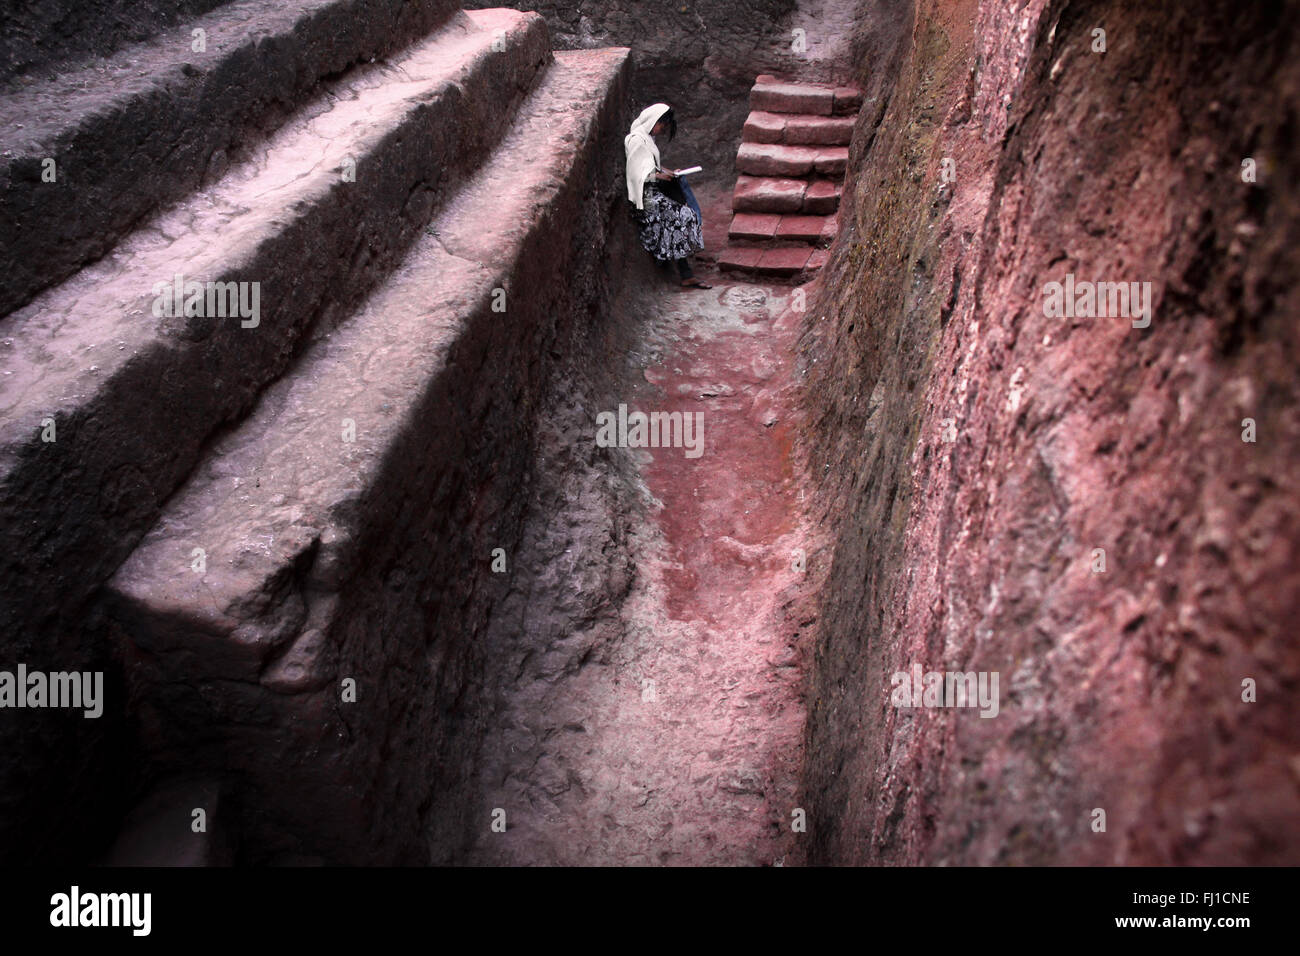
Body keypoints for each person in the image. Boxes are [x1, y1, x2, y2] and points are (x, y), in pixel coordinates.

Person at [624, 103, 711, 289]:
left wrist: (669, 172)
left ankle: (685, 271)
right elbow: (635, 174)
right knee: (680, 217)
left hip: (652, 191)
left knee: (681, 204)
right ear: (654, 121)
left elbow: (650, 166)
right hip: (645, 198)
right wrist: (660, 176)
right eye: (662, 125)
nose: (662, 130)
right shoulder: (636, 140)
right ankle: (683, 271)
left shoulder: (647, 139)